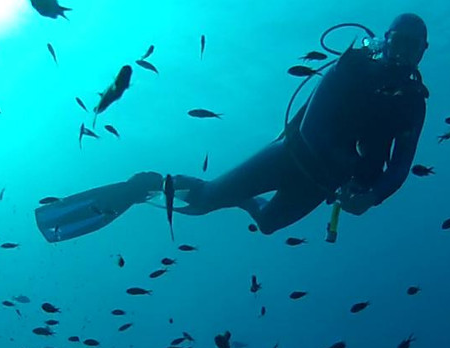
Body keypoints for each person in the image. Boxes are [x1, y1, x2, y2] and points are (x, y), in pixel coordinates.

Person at [35, 14, 430, 242]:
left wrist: (372, 196)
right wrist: (352, 173)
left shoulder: (412, 104)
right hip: (292, 155)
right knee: (206, 201)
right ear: (385, 40)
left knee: (268, 224)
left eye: (413, 47)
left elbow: (400, 168)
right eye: (398, 42)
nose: (403, 53)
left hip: (324, 184)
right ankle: (147, 185)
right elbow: (313, 125)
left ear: (422, 53)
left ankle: (234, 198)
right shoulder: (355, 65)